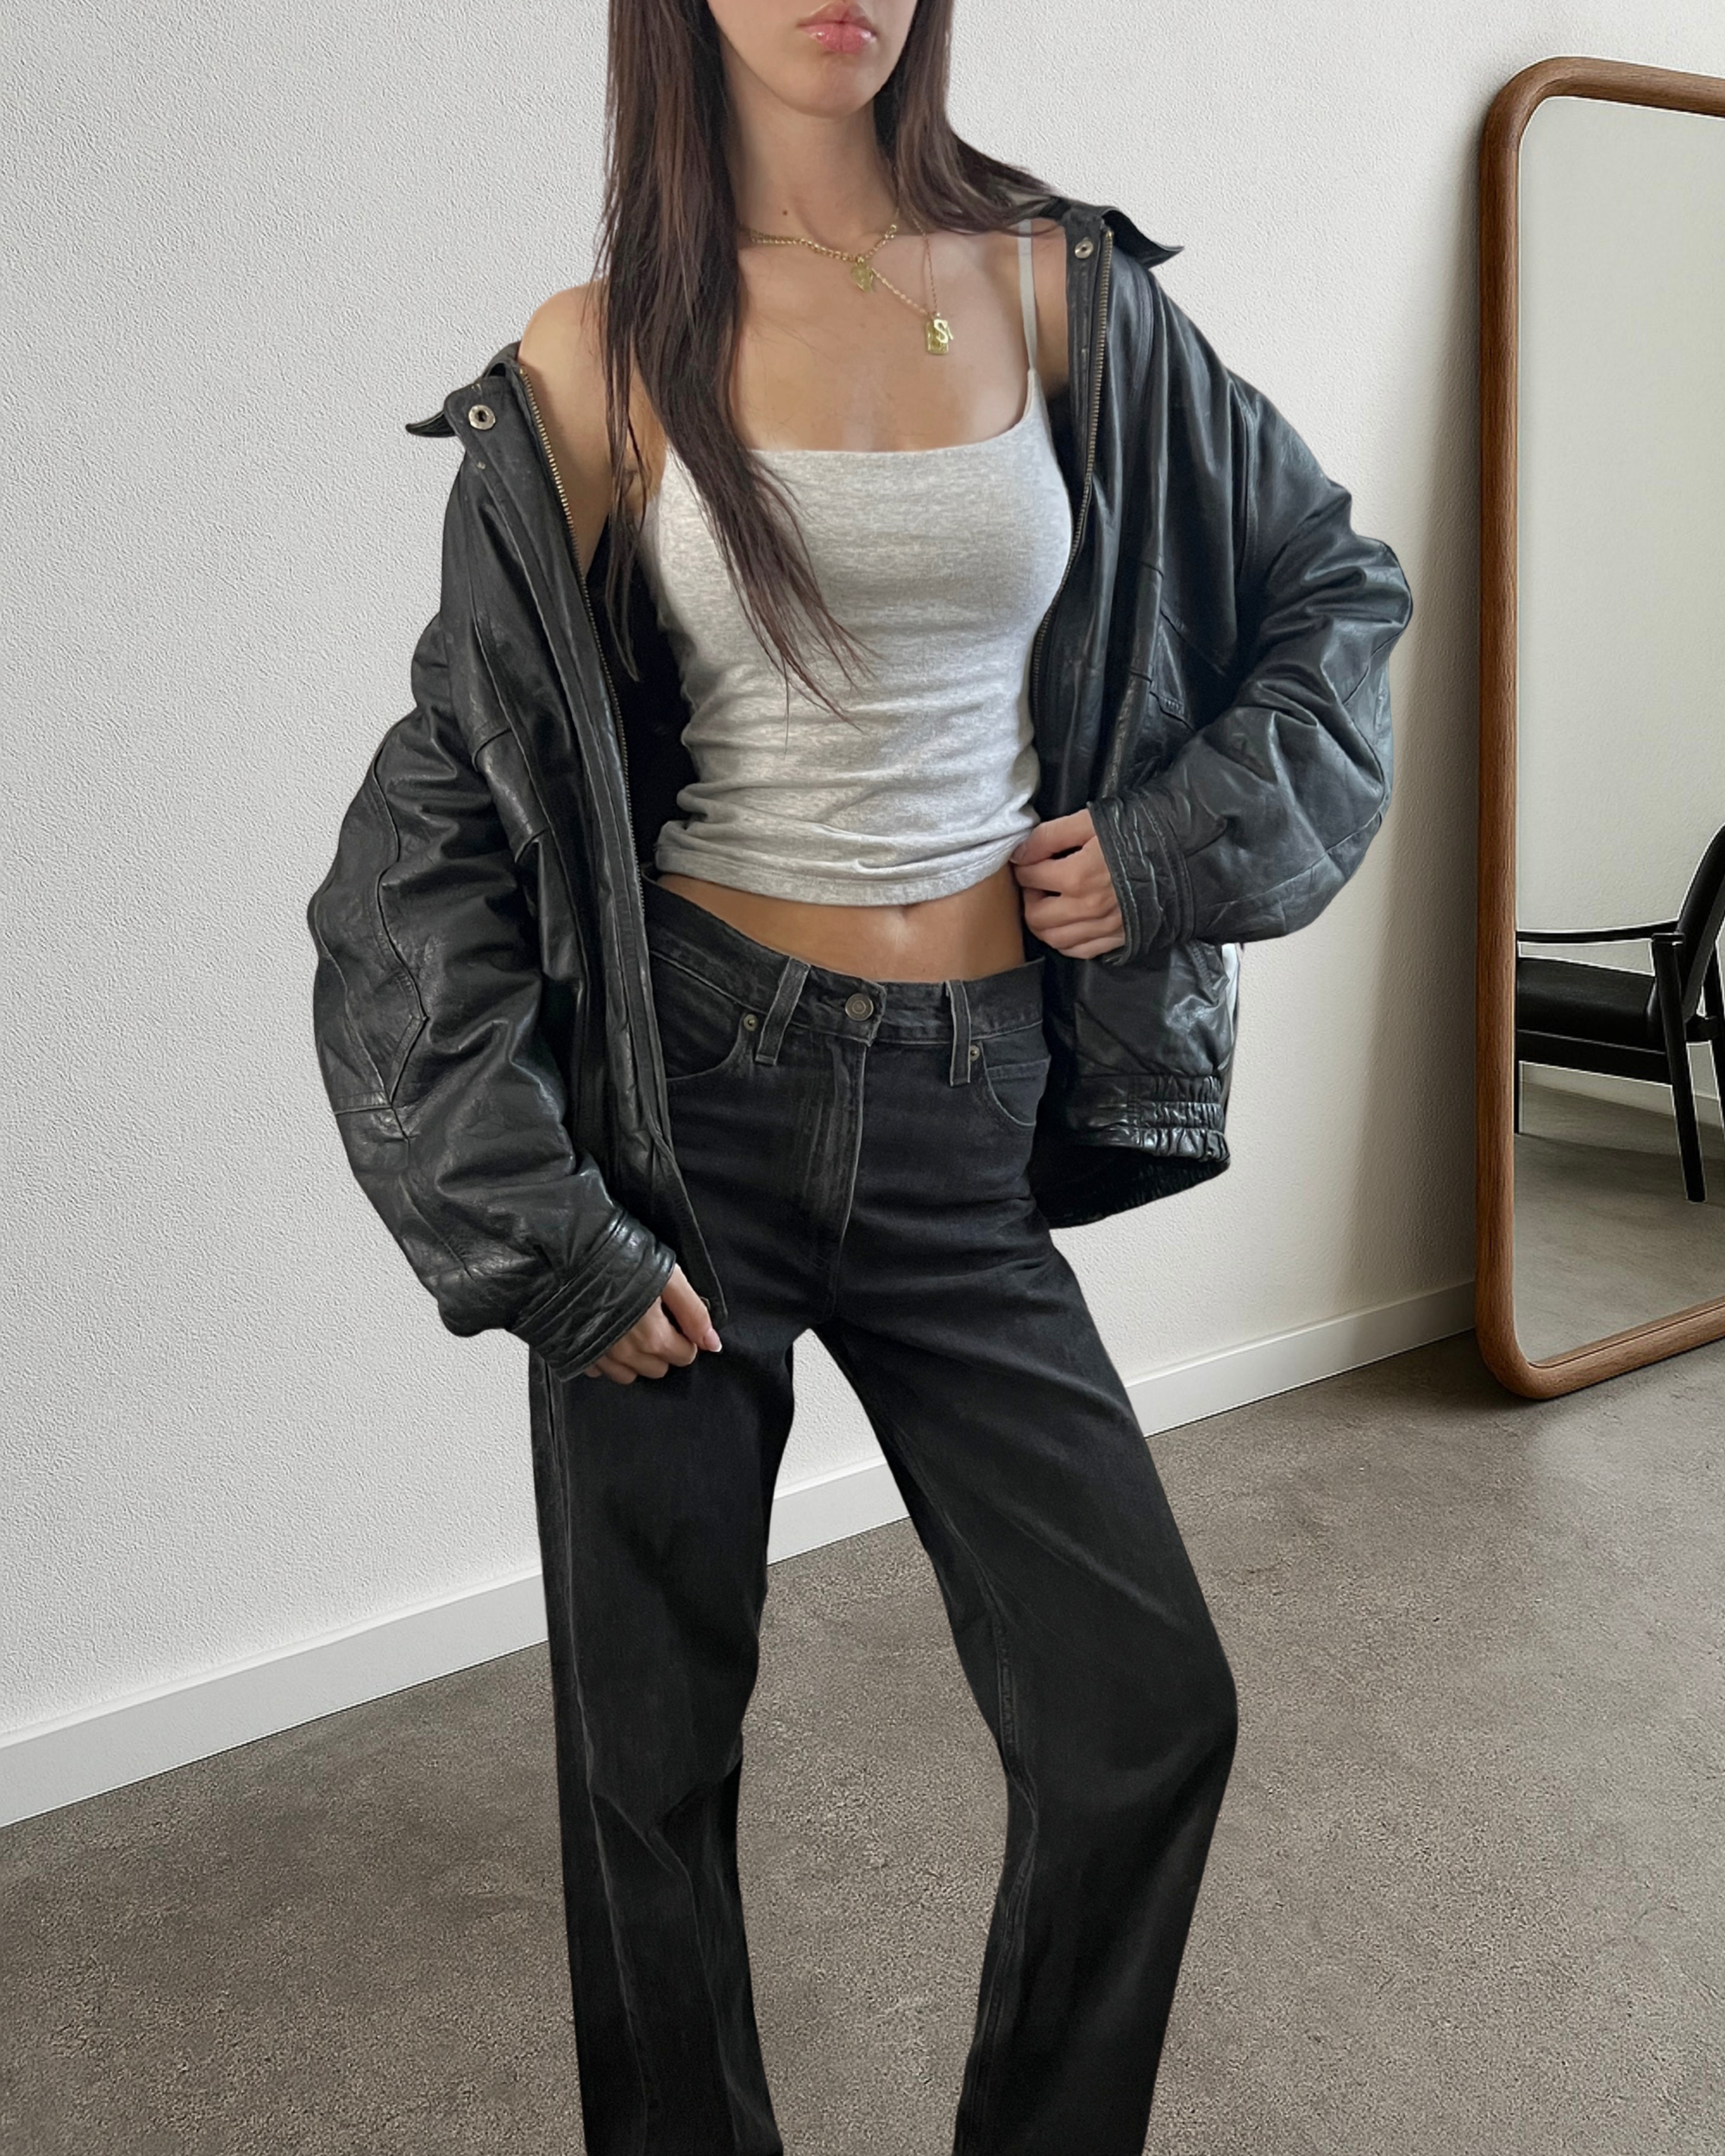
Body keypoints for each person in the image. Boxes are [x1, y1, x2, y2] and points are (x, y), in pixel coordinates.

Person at [306, 3, 1414, 2149]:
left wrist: (1170, 843)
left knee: (1141, 1713)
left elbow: (1329, 594)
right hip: (685, 1113)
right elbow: (425, 843)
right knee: (648, 1771)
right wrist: (539, 1229)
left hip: (963, 1109)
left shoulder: (1061, 294)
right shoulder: (594, 358)